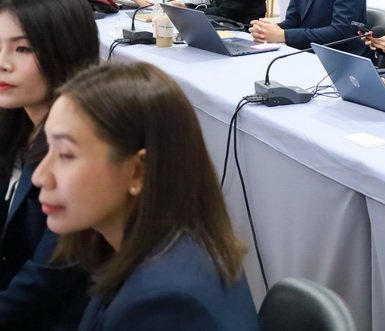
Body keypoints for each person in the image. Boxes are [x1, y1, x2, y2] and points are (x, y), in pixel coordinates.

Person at [32, 62, 258, 330]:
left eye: (66, 155)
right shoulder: (152, 242)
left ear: (138, 171)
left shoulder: (162, 304)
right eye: (48, 148)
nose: (40, 176)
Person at [0, 0, 97, 329]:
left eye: (22, 49)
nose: (3, 63)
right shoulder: (15, 122)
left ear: (65, 51)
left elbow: (45, 280)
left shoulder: (83, 149)